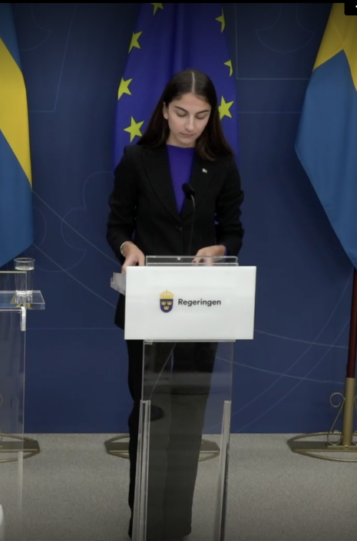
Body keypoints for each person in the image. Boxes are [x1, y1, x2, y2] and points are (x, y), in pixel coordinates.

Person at [106, 69, 244, 541]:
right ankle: (142, 520)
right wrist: (129, 249)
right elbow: (117, 225)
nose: (191, 125)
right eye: (182, 113)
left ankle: (177, 525)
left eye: (202, 116)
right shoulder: (136, 159)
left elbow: (233, 230)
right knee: (149, 413)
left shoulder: (222, 164)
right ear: (165, 110)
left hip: (203, 308)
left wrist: (220, 250)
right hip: (148, 307)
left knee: (188, 416)